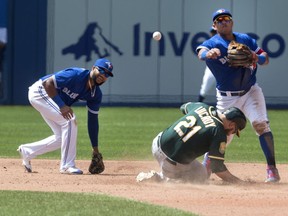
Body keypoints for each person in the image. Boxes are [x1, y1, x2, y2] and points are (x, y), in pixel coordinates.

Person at [196, 9, 280, 183]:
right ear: (214, 25)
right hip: (227, 98)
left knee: (260, 124)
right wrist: (207, 54)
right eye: (219, 20)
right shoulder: (212, 43)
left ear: (232, 22)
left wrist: (256, 57)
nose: (223, 21)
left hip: (251, 91)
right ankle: (207, 166)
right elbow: (200, 52)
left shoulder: (245, 39)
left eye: (226, 18)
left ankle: (271, 169)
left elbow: (265, 57)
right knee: (222, 133)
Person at [17, 58, 114, 174]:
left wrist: (95, 149)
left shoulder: (95, 94)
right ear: (93, 68)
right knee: (70, 120)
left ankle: (27, 151)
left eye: (107, 74)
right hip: (40, 92)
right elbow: (48, 83)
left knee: (62, 137)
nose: (103, 75)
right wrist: (62, 106)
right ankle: (67, 165)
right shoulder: (77, 74)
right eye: (102, 71)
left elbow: (93, 121)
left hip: (50, 99)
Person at [136, 102, 247, 184]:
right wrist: (239, 182)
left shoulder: (203, 107)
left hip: (157, 143)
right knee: (200, 178)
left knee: (200, 170)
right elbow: (217, 168)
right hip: (171, 164)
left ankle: (165, 175)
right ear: (232, 125)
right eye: (234, 130)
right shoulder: (219, 133)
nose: (231, 133)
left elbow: (184, 106)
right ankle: (160, 178)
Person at [198, 27, 217, 102]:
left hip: (225, 68)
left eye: (215, 32)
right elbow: (201, 54)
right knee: (204, 89)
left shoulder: (226, 41)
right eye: (212, 32)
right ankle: (198, 106)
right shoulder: (209, 43)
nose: (214, 33)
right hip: (211, 68)